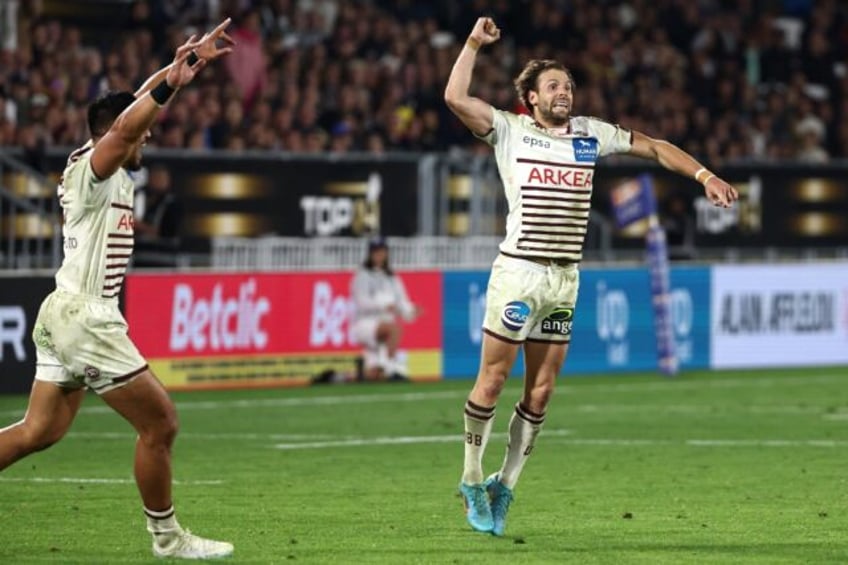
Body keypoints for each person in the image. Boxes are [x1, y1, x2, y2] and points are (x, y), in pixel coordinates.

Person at [444, 17, 739, 537]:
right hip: (519, 272)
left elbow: (653, 145)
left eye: (570, 85)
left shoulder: (589, 135)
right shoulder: (509, 129)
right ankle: (470, 479)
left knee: (541, 392)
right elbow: (453, 96)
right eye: (554, 86)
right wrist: (472, 43)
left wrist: (704, 175)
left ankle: (505, 486)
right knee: (492, 380)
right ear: (531, 98)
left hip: (564, 279)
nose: (566, 92)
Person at [0, 20, 236, 560]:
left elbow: (129, 117)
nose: (148, 137)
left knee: (39, 431)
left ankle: (168, 536)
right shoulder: (96, 166)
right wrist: (172, 86)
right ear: (111, 135)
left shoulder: (102, 167)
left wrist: (180, 68)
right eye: (139, 132)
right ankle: (167, 538)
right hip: (85, 316)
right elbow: (128, 128)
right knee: (161, 423)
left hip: (61, 312)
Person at [350, 236, 421, 381]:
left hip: (384, 322)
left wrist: (411, 311)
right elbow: (361, 302)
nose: (379, 255)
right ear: (370, 254)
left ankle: (368, 373)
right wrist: (383, 305)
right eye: (376, 252)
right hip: (365, 323)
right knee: (395, 329)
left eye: (381, 251)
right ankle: (390, 368)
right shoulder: (362, 276)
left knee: (373, 374)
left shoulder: (392, 277)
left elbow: (402, 302)